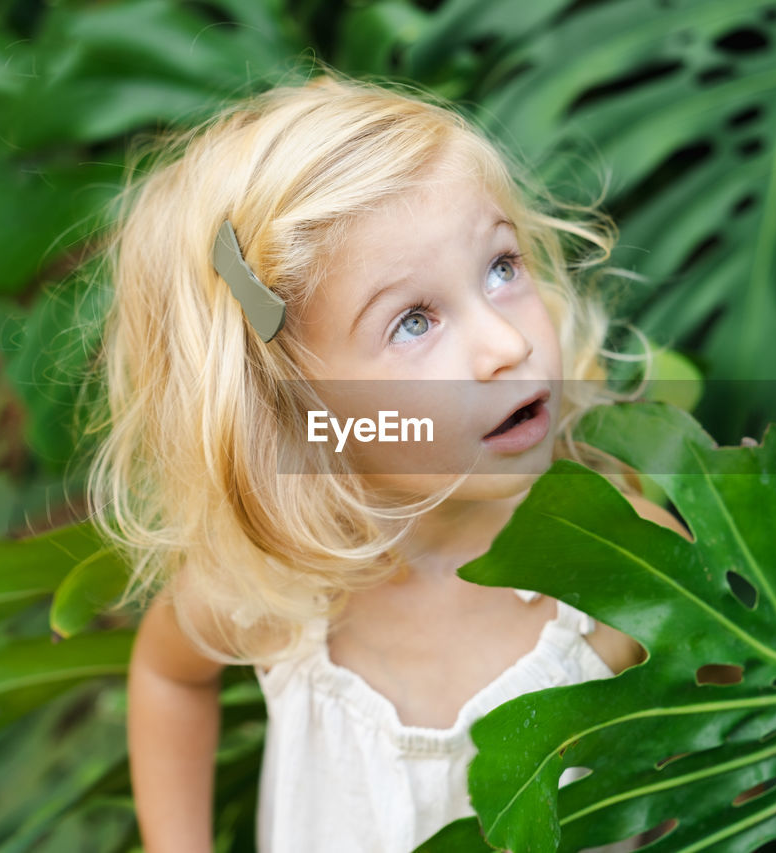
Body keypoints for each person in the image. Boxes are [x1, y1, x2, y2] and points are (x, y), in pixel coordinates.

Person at [85, 70, 692, 852]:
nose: (507, 346)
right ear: (292, 404)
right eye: (413, 321)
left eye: (502, 268)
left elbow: (739, 728)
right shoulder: (273, 590)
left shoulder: (617, 559)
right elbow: (171, 675)